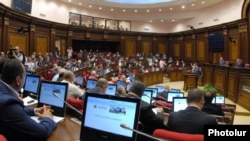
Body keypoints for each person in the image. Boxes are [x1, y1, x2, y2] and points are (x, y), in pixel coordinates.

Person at [0, 59, 56, 141]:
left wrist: (35, 110)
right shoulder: (8, 103)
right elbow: (42, 132)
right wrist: (48, 117)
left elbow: (13, 113)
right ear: (18, 80)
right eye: (24, 77)